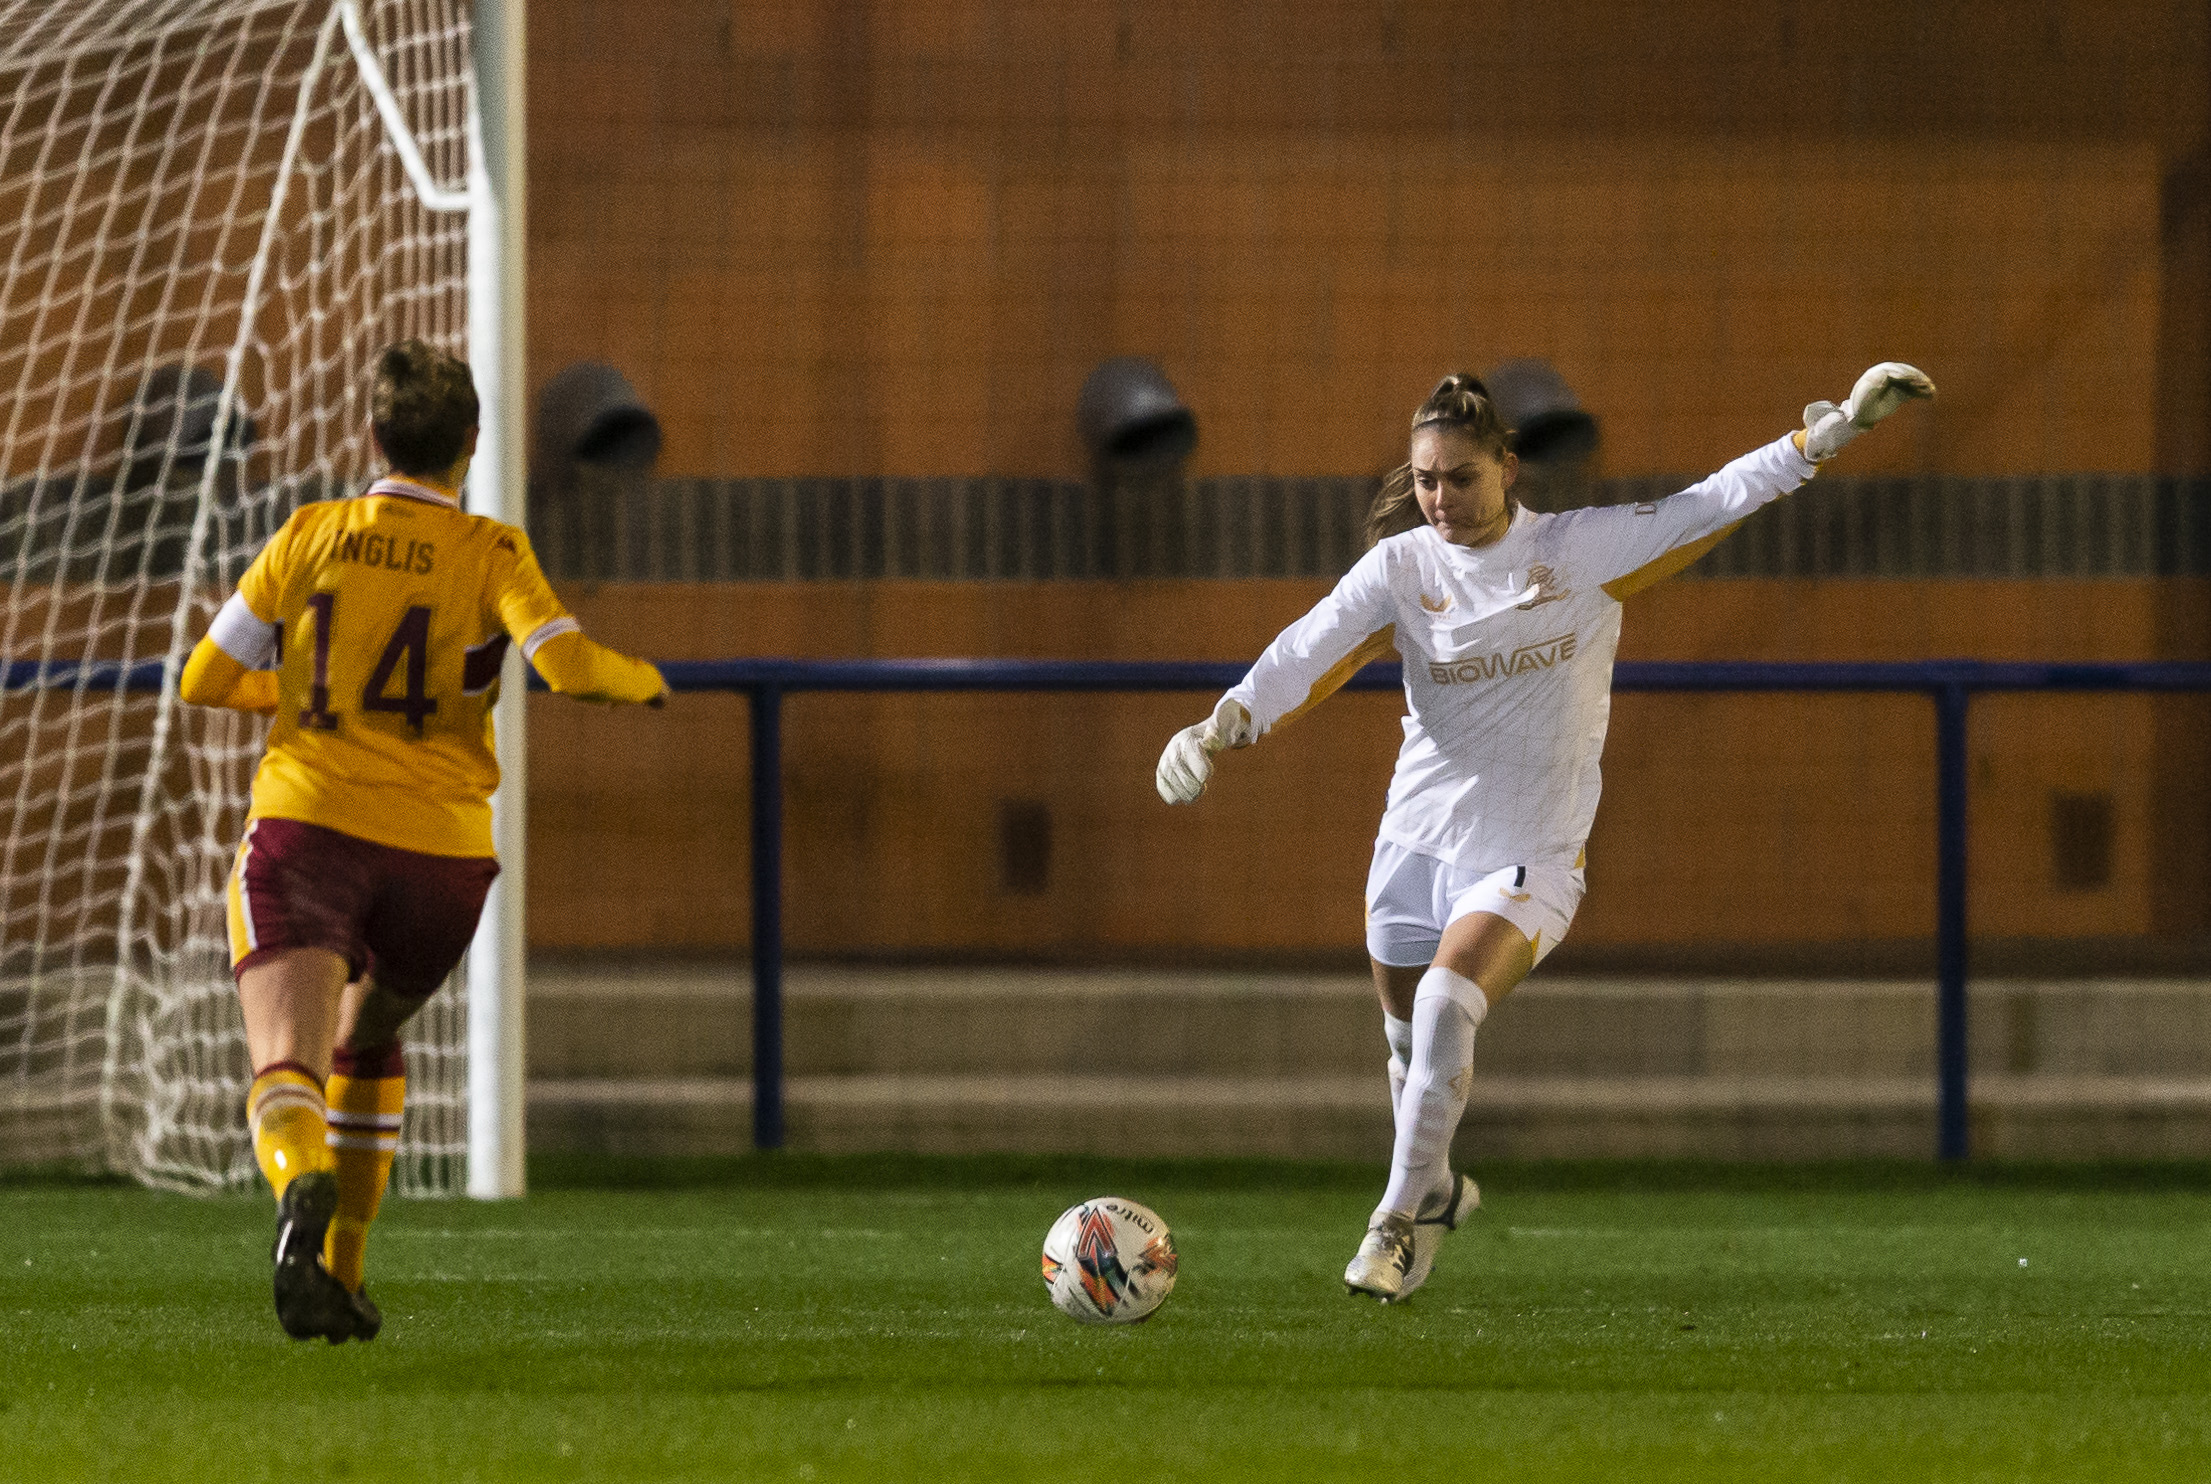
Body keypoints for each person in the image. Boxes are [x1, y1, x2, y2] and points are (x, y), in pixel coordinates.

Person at [1155, 363, 1935, 1301]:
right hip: (1412, 847)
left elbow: (1712, 501)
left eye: (1460, 477)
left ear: (1508, 469)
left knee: (1448, 1005)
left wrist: (1836, 430)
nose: (1440, 498)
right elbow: (1306, 649)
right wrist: (1219, 723)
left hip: (1530, 849)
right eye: (1426, 480)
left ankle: (1393, 1224)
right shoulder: (1403, 568)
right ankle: (1436, 1188)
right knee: (1406, 1047)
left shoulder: (1576, 553)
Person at [179, 340, 669, 1342]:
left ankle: (299, 1181)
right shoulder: (492, 552)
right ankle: (344, 1275)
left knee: (288, 1067)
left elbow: (204, 679)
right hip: (439, 861)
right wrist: (644, 676)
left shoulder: (311, 532)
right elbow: (569, 668)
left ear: (374, 435)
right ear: (473, 444)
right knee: (369, 1036)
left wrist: (307, 700)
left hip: (311, 824)